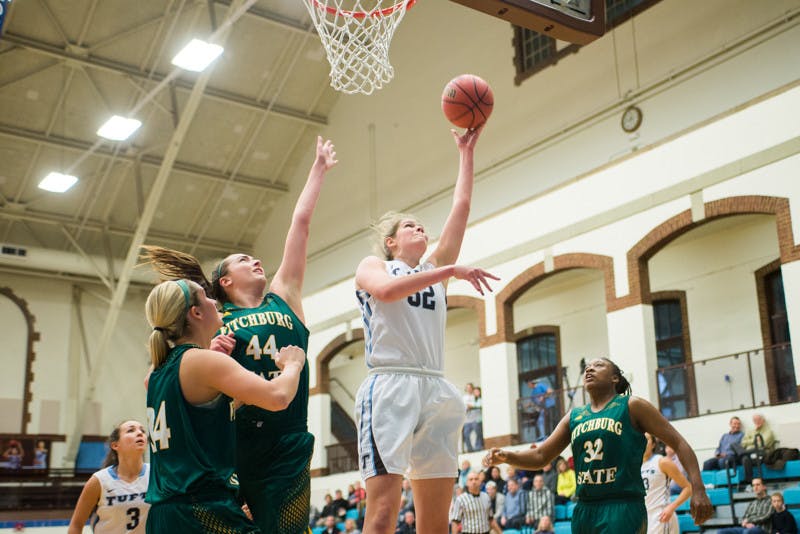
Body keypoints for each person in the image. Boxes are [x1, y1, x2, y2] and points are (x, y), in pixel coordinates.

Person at [141, 136, 337, 534]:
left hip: (284, 440)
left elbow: (299, 225)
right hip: (234, 442)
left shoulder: (284, 298)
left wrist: (317, 170)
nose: (257, 260)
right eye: (245, 260)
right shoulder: (213, 323)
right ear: (225, 281)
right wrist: (212, 353)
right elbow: (166, 379)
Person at [353, 125, 495, 534]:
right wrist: (451, 270)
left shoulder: (434, 269)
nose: (420, 229)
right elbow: (386, 291)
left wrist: (466, 152)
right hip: (390, 387)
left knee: (435, 523)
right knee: (382, 513)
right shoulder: (373, 265)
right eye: (410, 226)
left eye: (421, 225)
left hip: (435, 388)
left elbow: (462, 207)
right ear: (392, 242)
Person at [142, 279, 306, 533]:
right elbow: (278, 397)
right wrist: (293, 365)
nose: (213, 301)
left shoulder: (157, 372)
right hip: (201, 510)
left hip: (164, 515)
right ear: (195, 313)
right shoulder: (201, 361)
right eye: (205, 297)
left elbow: (201, 416)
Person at [483, 357, 713, 533]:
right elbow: (541, 455)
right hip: (585, 508)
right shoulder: (575, 415)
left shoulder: (631, 406)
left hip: (622, 506)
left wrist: (699, 488)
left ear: (615, 378)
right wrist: (507, 456)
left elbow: (679, 443)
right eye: (587, 367)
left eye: (599, 365)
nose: (589, 369)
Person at [68, 421, 150, 534]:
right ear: (115, 445)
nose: (140, 433)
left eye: (142, 430)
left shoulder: (155, 474)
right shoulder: (99, 481)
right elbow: (76, 525)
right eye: (131, 430)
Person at [641, 432, 692, 534]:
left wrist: (672, 507)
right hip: (643, 519)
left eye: (647, 439)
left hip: (661, 516)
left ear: (653, 444)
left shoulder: (662, 462)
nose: (643, 442)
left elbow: (688, 488)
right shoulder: (634, 465)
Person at [738, 414, 778, 482]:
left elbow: (763, 444)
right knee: (745, 458)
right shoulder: (750, 431)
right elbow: (743, 443)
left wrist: (750, 443)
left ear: (763, 421)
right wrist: (755, 440)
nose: (757, 421)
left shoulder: (768, 431)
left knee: (744, 454)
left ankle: (741, 453)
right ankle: (749, 482)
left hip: (762, 453)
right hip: (750, 453)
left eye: (759, 419)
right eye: (755, 420)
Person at [473, 386, 485, 451]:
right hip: (476, 419)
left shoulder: (481, 399)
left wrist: (472, 406)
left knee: (480, 433)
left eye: (477, 391)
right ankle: (478, 446)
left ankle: (479, 446)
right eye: (474, 392)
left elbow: (480, 406)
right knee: (478, 433)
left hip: (481, 419)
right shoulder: (475, 400)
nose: (475, 393)